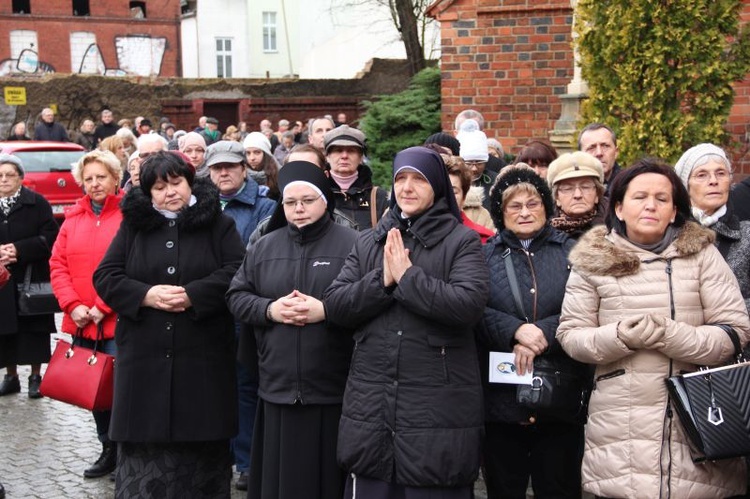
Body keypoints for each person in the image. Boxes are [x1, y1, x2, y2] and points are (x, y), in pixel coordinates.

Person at [557, 158, 750, 499]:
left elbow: (734, 332)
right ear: (619, 207)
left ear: (675, 211)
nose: (651, 205)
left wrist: (672, 336)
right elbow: (571, 336)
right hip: (620, 428)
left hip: (701, 422)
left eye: (662, 199)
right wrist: (620, 337)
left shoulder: (703, 255)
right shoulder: (593, 259)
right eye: (640, 197)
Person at [324, 146, 489, 498]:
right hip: (373, 406)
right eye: (401, 178)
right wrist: (381, 281)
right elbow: (336, 306)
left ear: (439, 187)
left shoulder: (462, 241)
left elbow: (468, 305)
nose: (407, 187)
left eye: (419, 179)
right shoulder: (370, 241)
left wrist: (408, 277)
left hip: (438, 411)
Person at [93, 152, 244, 498]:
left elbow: (238, 271)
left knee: (199, 467)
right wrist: (146, 295)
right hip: (144, 365)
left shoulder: (218, 224)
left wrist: (193, 294)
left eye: (175, 183)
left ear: (190, 182)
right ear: (148, 193)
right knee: (146, 471)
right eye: (159, 187)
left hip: (202, 361)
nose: (169, 193)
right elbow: (106, 275)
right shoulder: (133, 225)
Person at [226, 160, 358, 499]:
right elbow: (237, 297)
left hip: (333, 387)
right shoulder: (263, 246)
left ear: (325, 201)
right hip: (278, 386)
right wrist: (270, 310)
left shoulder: (354, 244)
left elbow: (367, 299)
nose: (298, 209)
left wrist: (325, 311)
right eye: (290, 202)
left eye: (307, 201)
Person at [477, 164, 586, 498]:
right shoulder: (483, 256)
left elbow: (584, 308)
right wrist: (513, 331)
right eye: (515, 206)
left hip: (559, 399)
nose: (525, 212)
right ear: (500, 212)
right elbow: (472, 309)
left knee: (558, 487)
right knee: (503, 488)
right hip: (501, 405)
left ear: (546, 207)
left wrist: (539, 334)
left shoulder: (571, 251)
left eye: (533, 203)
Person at [49, 149, 123, 479]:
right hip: (82, 321)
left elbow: (132, 266)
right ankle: (107, 447)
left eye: (101, 177)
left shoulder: (129, 216)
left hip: (118, 319)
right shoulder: (71, 219)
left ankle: (127, 449)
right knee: (95, 390)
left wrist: (101, 307)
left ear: (115, 179)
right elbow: (58, 265)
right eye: (88, 178)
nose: (94, 184)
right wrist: (73, 305)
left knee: (123, 388)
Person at [0, 154, 59, 399]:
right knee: (4, 330)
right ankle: (10, 376)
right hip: (2, 280)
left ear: (21, 178)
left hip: (31, 275)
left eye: (9, 175)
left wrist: (19, 250)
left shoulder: (37, 202)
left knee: (35, 329)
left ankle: (36, 377)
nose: (3, 180)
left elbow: (50, 236)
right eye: (0, 176)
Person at [675, 143, 750, 311]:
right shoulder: (668, 233)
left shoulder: (747, 234)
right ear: (685, 185)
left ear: (730, 181)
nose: (713, 181)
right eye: (702, 175)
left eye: (721, 173)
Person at [324, 125, 388, 230]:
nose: (344, 156)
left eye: (351, 151)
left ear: (361, 156)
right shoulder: (317, 195)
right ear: (327, 156)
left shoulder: (378, 197)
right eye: (338, 150)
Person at [546, 151, 607, 239]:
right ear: (557, 198)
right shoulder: (543, 229)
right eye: (568, 189)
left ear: (597, 194)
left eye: (585, 187)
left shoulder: (614, 226)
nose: (577, 195)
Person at [442, 152, 494, 241]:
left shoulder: (482, 239)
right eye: (440, 190)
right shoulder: (412, 236)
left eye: (453, 192)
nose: (446, 197)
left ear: (464, 197)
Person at [457, 119, 496, 210]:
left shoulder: (495, 180)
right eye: (469, 163)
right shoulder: (454, 180)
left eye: (479, 163)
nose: (474, 168)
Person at [578, 123, 622, 196]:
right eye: (591, 148)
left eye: (605, 146)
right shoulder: (570, 191)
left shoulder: (629, 186)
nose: (599, 153)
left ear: (616, 152)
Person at [243, 132, 281, 199]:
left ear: (266, 154)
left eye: (257, 152)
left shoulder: (278, 174)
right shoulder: (240, 175)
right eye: (248, 153)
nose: (252, 158)